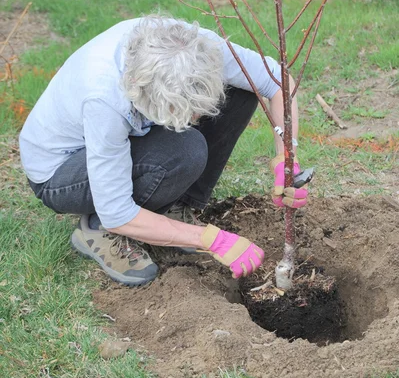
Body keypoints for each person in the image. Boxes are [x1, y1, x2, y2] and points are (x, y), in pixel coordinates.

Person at [19, 15, 308, 287]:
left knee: (242, 87)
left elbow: (276, 81)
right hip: (62, 171)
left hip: (116, 131)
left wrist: (285, 157)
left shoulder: (195, 48)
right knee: (183, 150)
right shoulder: (105, 101)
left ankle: (178, 205)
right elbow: (117, 211)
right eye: (185, 111)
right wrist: (210, 239)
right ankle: (97, 230)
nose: (196, 120)